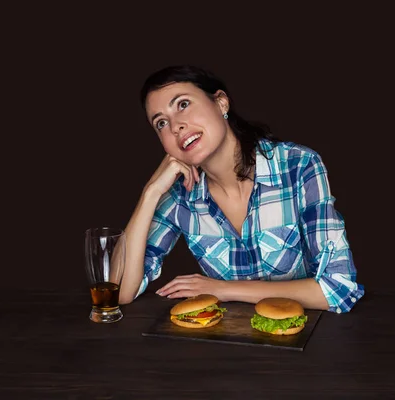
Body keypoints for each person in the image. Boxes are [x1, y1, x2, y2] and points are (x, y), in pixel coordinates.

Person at [118, 65, 364, 313]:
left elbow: (337, 287)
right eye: (161, 123)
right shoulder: (179, 194)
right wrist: (150, 192)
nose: (175, 127)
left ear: (221, 103)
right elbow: (118, 291)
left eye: (183, 105)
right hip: (227, 343)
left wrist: (222, 289)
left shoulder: (298, 166)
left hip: (308, 339)